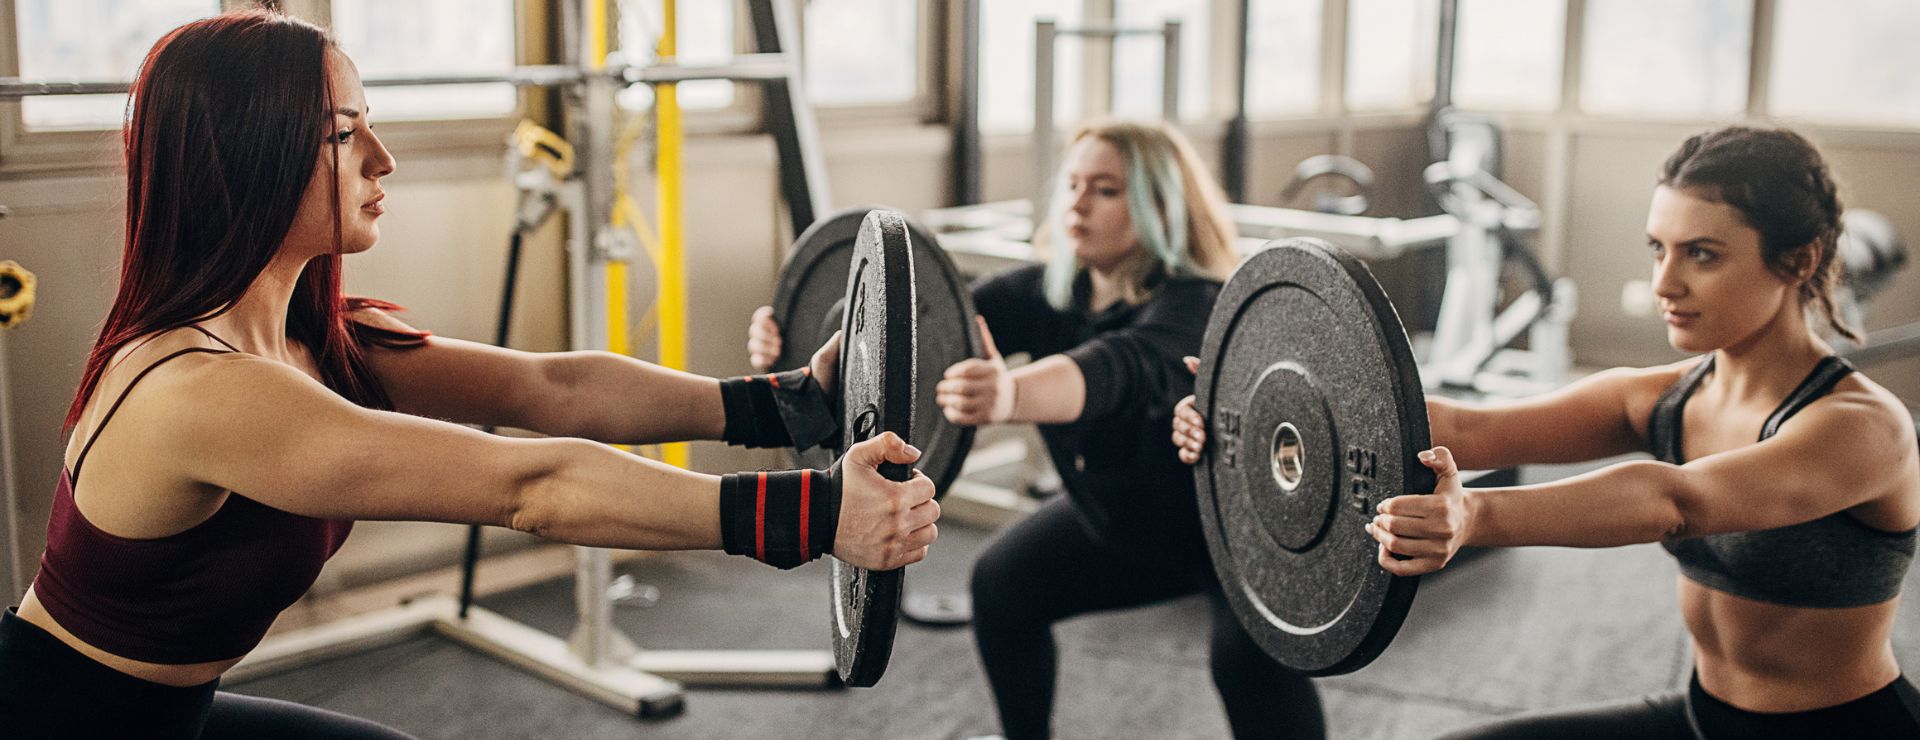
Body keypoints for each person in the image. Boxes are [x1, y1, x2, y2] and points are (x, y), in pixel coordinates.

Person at [0, 10, 938, 739]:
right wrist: (814, 517)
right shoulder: (199, 392)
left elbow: (548, 390)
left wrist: (789, 406)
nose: (383, 160)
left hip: (172, 718)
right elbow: (532, 486)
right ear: (244, 157)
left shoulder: (309, 339)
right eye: (341, 136)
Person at [1173, 126, 1920, 738]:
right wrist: (1258, 397)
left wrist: (1478, 515)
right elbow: (1467, 426)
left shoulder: (1862, 430)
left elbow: (1674, 500)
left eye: (1703, 254)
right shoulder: (1664, 397)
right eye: (1660, 249)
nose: (1665, 284)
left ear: (1801, 259)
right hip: (1702, 718)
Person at [750, 120, 1327, 739]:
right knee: (1003, 588)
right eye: (1073, 184)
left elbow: (1118, 370)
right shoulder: (1053, 289)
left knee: (1248, 663)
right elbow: (917, 330)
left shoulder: (1197, 304)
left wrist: (1010, 395)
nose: (1077, 203)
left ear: (1162, 206)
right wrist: (806, 357)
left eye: (1104, 190)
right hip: (1117, 523)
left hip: (1232, 542)